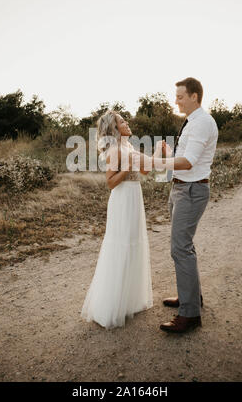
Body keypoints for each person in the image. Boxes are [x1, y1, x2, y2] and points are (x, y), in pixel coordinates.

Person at [81, 111, 159, 329]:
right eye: (122, 121)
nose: (127, 123)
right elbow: (111, 183)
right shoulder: (114, 149)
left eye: (125, 120)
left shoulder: (130, 147)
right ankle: (112, 305)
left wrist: (155, 154)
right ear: (114, 128)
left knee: (134, 243)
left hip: (135, 197)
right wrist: (126, 167)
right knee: (122, 246)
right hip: (122, 199)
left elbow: (143, 171)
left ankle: (130, 301)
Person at [160, 77, 219, 333]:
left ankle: (190, 315)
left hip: (192, 190)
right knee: (185, 248)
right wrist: (167, 156)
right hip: (181, 188)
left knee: (180, 249)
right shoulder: (192, 122)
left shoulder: (203, 122)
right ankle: (190, 298)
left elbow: (189, 163)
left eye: (180, 96)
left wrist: (154, 163)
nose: (176, 101)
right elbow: (181, 159)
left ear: (195, 96)